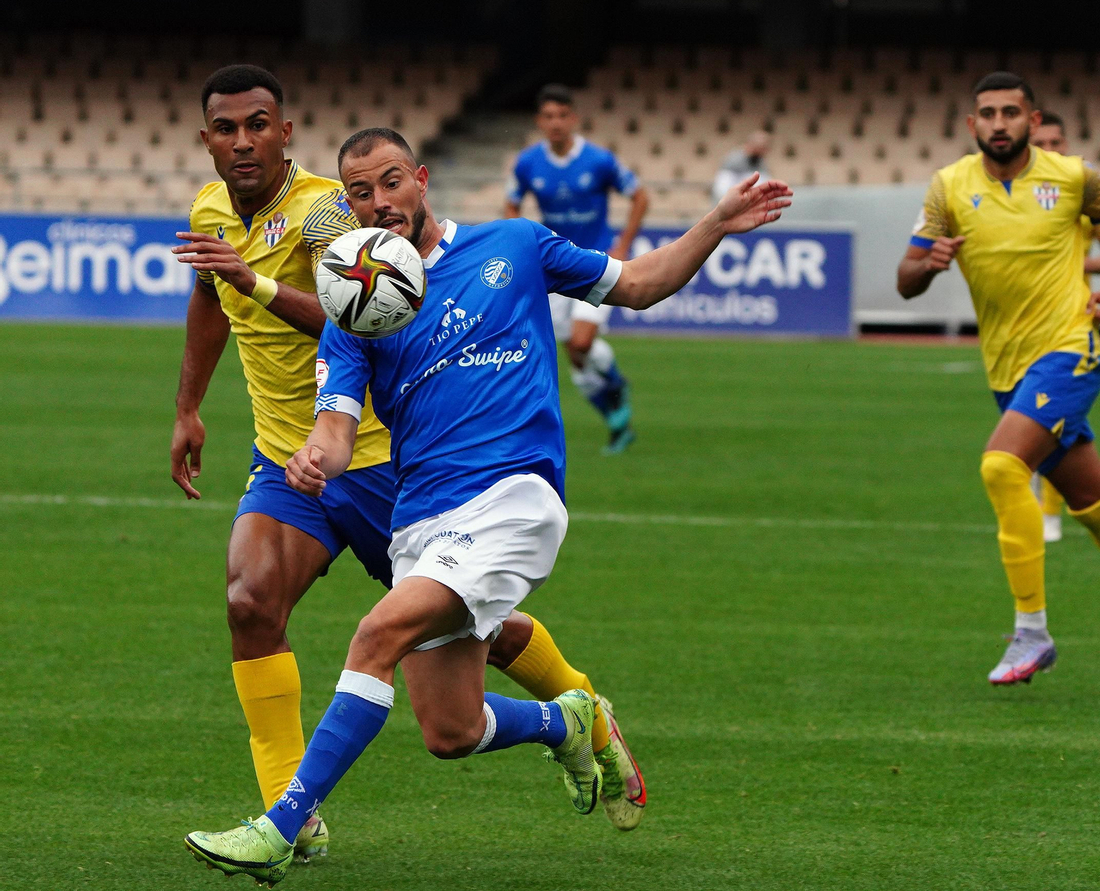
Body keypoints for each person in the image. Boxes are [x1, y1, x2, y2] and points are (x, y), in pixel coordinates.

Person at [182, 127, 792, 885]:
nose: (381, 201)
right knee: (450, 729)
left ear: (423, 179)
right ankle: (568, 719)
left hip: (513, 496)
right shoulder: (356, 310)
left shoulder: (515, 245)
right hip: (422, 519)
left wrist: (712, 227)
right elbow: (337, 429)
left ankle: (280, 825)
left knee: (375, 634)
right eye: (362, 192)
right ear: (348, 204)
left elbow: (635, 284)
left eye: (393, 181)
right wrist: (315, 456)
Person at [171, 66, 646, 863]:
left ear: (287, 132)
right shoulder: (212, 208)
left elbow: (350, 312)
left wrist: (251, 280)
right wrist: (188, 404)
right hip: (293, 458)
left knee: (463, 632)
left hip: (387, 457)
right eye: (228, 128)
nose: (244, 140)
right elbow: (210, 298)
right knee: (251, 599)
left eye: (259, 124)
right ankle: (291, 815)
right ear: (208, 139)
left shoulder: (334, 211)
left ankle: (580, 707)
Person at [896, 72, 1100, 688]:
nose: (999, 122)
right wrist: (926, 266)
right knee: (1094, 506)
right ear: (971, 125)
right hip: (1008, 370)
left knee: (1001, 467)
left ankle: (1031, 633)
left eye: (1012, 112)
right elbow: (904, 278)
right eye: (988, 113)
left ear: (1034, 122)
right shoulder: (949, 187)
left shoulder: (1070, 177)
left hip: (1070, 351)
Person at [507, 83, 649, 454]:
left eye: (562, 116)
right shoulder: (527, 163)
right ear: (540, 121)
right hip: (552, 267)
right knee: (575, 354)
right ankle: (617, 418)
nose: (556, 123)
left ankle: (615, 387)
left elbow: (640, 196)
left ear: (573, 119)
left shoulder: (599, 160)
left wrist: (624, 243)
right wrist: (516, 241)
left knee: (582, 342)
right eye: (548, 116)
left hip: (594, 261)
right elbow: (511, 205)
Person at [1030, 109, 1100, 542]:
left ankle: (1046, 512)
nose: (1049, 151)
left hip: (1070, 325)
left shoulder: (1080, 192)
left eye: (1056, 143)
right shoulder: (1010, 197)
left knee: (1050, 421)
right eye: (1039, 144)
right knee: (1049, 424)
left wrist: (1080, 264)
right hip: (1017, 326)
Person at [713, 130, 771, 200]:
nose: (758, 151)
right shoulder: (733, 159)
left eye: (762, 148)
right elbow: (722, 186)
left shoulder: (761, 163)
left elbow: (764, 181)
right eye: (756, 147)